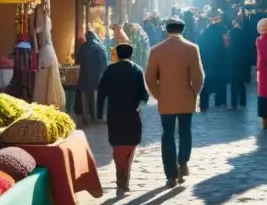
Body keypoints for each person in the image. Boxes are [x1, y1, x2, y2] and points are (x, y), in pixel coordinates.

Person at [146, 18, 205, 187]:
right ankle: (183, 161)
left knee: (167, 134)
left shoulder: (156, 50)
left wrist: (158, 94)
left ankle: (170, 174)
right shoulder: (192, 48)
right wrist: (195, 93)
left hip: (166, 99)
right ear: (182, 30)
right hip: (186, 98)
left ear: (166, 30)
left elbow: (150, 77)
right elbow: (198, 76)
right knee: (185, 131)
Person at [97, 43, 149, 192]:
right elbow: (144, 95)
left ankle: (120, 174)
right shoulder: (137, 70)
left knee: (117, 144)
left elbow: (101, 93)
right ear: (131, 54)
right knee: (130, 146)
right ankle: (125, 175)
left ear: (117, 55)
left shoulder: (110, 70)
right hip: (132, 114)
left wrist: (100, 113)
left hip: (115, 114)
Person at [76, 30, 107, 126]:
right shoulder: (100, 48)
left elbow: (78, 61)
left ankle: (87, 118)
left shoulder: (83, 48)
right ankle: (97, 117)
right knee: (96, 99)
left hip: (85, 79)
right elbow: (104, 64)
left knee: (86, 99)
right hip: (97, 79)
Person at [199, 16, 228, 111]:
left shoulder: (206, 32)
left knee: (206, 82)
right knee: (221, 81)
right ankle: (220, 101)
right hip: (220, 60)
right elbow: (226, 44)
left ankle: (204, 104)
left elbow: (199, 44)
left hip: (206, 61)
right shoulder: (222, 31)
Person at [228, 18, 252, 110]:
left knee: (233, 83)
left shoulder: (230, 33)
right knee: (241, 83)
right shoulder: (244, 33)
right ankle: (243, 102)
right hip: (242, 60)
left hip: (233, 60)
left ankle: (234, 103)